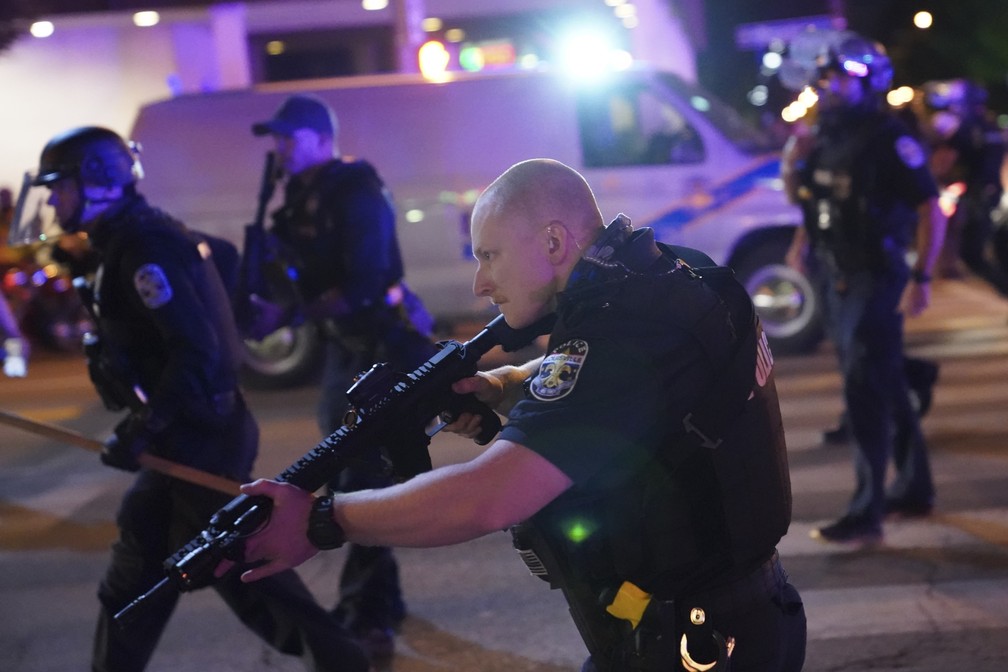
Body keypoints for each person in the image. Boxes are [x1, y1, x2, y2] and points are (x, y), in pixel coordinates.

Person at [223, 158, 808, 672]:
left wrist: (322, 521)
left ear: (553, 242)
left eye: (490, 256)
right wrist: (504, 384)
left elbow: (488, 498)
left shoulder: (619, 336)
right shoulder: (671, 274)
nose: (481, 283)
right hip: (742, 615)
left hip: (691, 643)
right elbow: (613, 381)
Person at [25, 126, 368, 672]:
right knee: (140, 581)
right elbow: (222, 259)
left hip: (198, 442)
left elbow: (197, 351)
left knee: (246, 574)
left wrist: (144, 428)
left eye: (59, 187)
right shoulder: (128, 240)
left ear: (98, 180)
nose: (52, 202)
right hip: (187, 437)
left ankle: (344, 661)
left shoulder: (144, 248)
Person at [250, 93, 438, 660]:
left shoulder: (356, 190)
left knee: (360, 478)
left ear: (320, 139)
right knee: (348, 473)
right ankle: (378, 603)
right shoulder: (298, 196)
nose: (280, 148)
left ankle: (369, 614)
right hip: (346, 347)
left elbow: (365, 281)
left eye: (289, 138)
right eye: (277, 139)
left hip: (384, 345)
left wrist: (291, 314)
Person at [780, 31, 946, 544]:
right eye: (824, 75)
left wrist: (922, 278)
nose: (827, 84)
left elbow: (930, 208)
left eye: (839, 76)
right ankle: (915, 487)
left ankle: (866, 510)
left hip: (875, 275)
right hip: (837, 275)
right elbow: (807, 198)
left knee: (863, 390)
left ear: (869, 82)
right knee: (885, 379)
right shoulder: (826, 134)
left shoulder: (888, 138)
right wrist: (801, 233)